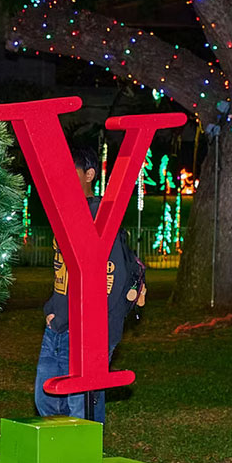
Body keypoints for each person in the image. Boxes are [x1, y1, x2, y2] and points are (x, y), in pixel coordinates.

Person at [36, 147, 143, 425]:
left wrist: (90, 323)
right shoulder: (65, 213)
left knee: (80, 409)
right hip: (58, 325)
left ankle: (84, 462)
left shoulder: (99, 216)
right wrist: (53, 309)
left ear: (90, 175)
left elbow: (114, 275)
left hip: (89, 330)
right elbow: (63, 269)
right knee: (46, 401)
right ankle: (58, 462)